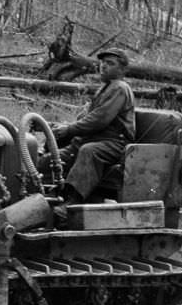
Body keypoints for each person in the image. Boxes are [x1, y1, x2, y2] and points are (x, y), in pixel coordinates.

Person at [51, 48, 135, 204]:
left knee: (89, 151)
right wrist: (62, 129)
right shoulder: (105, 88)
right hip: (95, 138)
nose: (103, 66)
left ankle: (72, 203)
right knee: (54, 158)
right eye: (102, 62)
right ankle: (46, 195)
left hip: (115, 143)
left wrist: (69, 130)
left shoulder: (120, 88)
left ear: (122, 69)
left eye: (110, 63)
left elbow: (99, 119)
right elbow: (87, 117)